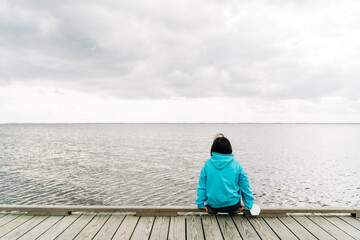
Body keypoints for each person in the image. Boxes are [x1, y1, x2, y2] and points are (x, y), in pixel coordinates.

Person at [195, 133, 254, 214]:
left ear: (213, 149)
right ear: (229, 149)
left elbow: (202, 186)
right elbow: (245, 187)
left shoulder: (207, 164)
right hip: (233, 206)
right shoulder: (237, 164)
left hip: (213, 205)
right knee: (233, 203)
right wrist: (248, 205)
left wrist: (200, 204)